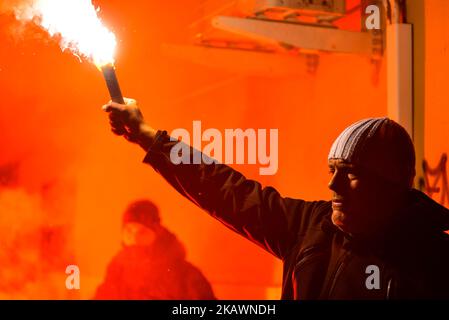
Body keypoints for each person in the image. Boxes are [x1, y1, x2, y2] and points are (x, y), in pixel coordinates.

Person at [102, 98, 449, 300]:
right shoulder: (311, 227)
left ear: (391, 185)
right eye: (332, 169)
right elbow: (228, 191)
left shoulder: (433, 264)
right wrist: (151, 139)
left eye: (351, 173)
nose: (333, 184)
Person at [94, 199, 216, 300]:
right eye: (129, 231)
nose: (134, 238)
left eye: (142, 232)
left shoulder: (185, 276)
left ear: (157, 234)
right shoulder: (117, 272)